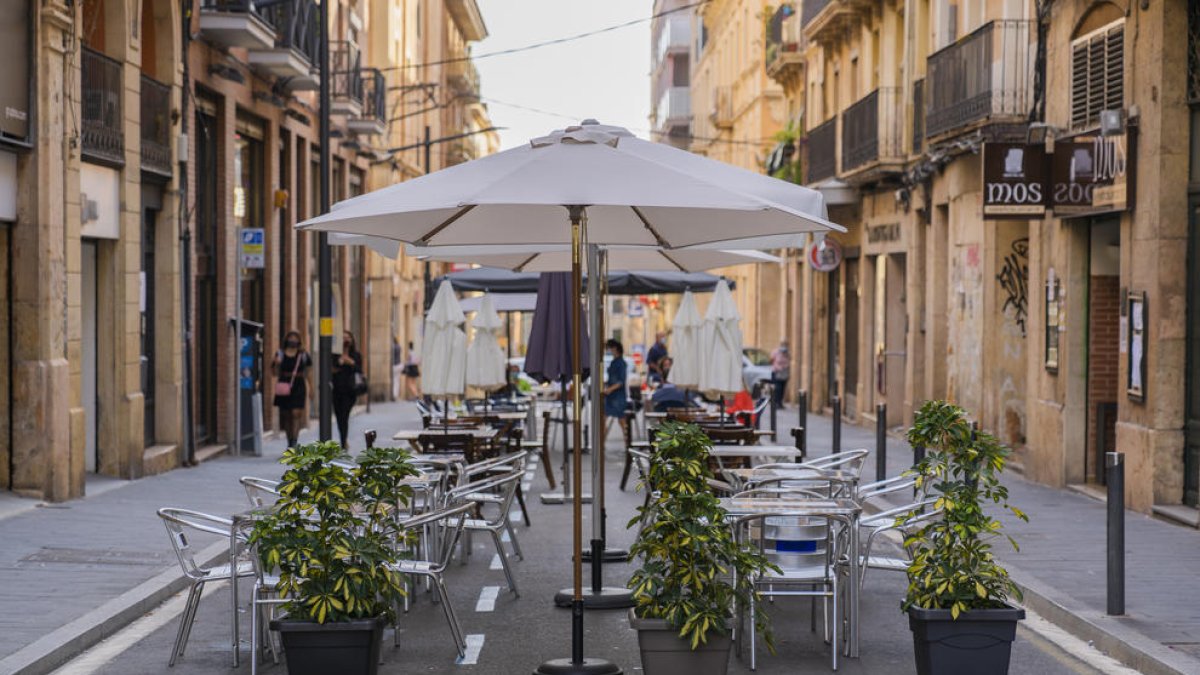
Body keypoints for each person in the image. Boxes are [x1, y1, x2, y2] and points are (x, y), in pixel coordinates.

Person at [272, 330, 312, 449]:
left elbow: (309, 373)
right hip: (284, 385)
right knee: (286, 415)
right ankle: (289, 441)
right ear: (286, 340)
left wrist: (311, 388)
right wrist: (276, 363)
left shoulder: (303, 355)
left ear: (299, 341)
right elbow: (274, 373)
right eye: (291, 338)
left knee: (296, 413)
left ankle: (294, 441)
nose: (293, 341)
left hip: (299, 385)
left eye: (295, 338)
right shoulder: (280, 353)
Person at [332, 331, 364, 449]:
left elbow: (360, 371)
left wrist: (351, 362)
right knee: (339, 416)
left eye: (348, 338)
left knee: (344, 415)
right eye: (343, 338)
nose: (346, 340)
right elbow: (331, 370)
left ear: (351, 341)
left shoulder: (356, 355)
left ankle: (343, 441)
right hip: (336, 389)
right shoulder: (335, 354)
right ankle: (343, 439)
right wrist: (340, 362)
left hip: (350, 391)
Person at [602, 339, 629, 448]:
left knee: (621, 421)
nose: (609, 350)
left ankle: (628, 443)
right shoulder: (614, 362)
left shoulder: (621, 363)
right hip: (612, 395)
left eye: (610, 348)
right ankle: (601, 443)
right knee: (604, 418)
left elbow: (620, 381)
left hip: (617, 396)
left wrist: (609, 389)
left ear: (615, 349)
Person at [770, 340, 790, 409]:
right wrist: (776, 367)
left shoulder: (787, 353)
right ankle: (775, 403)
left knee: (782, 389)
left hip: (784, 373)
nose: (784, 346)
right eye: (783, 345)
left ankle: (780, 403)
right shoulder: (776, 352)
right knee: (777, 388)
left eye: (786, 345)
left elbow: (788, 361)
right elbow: (771, 360)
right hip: (776, 372)